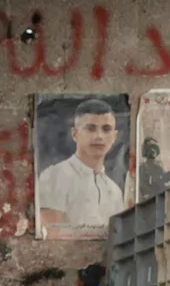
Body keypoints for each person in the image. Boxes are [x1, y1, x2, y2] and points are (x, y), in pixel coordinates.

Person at [37, 98, 125, 229]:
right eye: (90, 128)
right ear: (74, 134)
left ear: (114, 136)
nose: (99, 136)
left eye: (106, 129)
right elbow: (51, 237)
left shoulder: (114, 191)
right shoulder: (54, 176)